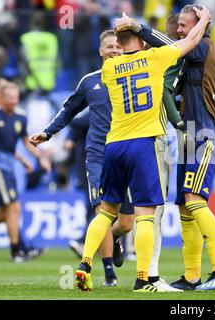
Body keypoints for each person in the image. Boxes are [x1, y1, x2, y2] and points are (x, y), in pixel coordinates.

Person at [69, 7, 211, 293]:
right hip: (143, 144)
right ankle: (145, 279)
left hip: (113, 144)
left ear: (118, 46)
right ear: (143, 42)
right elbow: (191, 43)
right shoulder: (156, 58)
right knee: (146, 214)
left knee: (106, 211)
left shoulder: (109, 69)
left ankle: (85, 263)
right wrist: (205, 20)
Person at [124, 4, 215, 291]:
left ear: (201, 27)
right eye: (180, 25)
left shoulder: (202, 46)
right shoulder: (196, 56)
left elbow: (173, 45)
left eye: (185, 25)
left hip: (204, 132)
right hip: (191, 134)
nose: (180, 29)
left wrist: (139, 28)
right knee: (185, 206)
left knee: (195, 200)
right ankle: (192, 275)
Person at [30, 30, 128, 287]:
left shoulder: (134, 78)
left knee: (126, 223)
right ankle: (108, 272)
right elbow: (69, 109)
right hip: (97, 156)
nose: (115, 50)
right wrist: (48, 133)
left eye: (118, 46)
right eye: (110, 46)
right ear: (100, 51)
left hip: (127, 156)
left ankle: (116, 239)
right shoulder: (90, 82)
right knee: (103, 211)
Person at [0, 81, 51, 262]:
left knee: (7, 210)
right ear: (0, 99)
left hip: (9, 166)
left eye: (15, 97)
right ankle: (17, 250)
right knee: (13, 207)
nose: (13, 101)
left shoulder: (20, 118)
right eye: (9, 98)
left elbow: (24, 142)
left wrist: (37, 157)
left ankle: (18, 250)